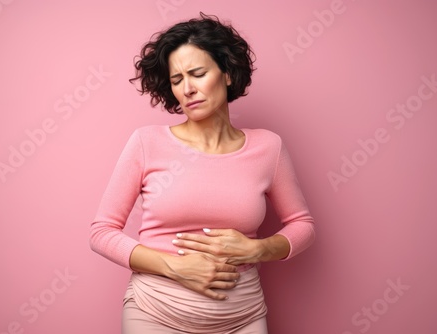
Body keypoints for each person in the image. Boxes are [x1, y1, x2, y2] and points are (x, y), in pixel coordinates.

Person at [90, 13, 315, 334]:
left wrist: (259, 249)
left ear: (226, 73)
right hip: (155, 313)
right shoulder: (146, 142)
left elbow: (303, 225)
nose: (188, 88)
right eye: (177, 79)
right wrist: (175, 267)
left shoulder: (268, 147)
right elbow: (101, 232)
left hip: (243, 317)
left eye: (197, 73)